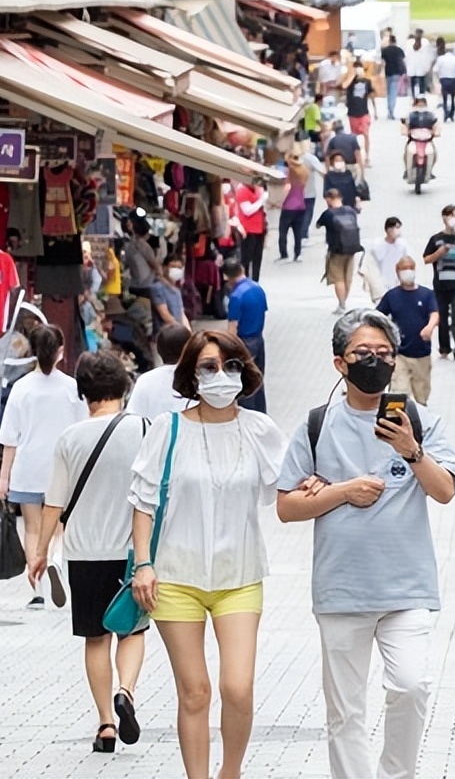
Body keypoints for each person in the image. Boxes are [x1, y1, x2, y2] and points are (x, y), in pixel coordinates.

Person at [277, 310, 455, 779]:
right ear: (340, 363)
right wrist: (343, 492)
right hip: (342, 591)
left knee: (411, 686)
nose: (374, 361)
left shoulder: (419, 421)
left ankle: (396, 774)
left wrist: (411, 450)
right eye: (362, 353)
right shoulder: (317, 425)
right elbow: (286, 507)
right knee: (345, 712)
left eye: (383, 353)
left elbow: (445, 491)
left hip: (407, 590)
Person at [128, 330, 286, 779]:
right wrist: (143, 564)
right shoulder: (168, 429)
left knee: (238, 688)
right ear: (191, 375)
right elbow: (143, 502)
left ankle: (230, 772)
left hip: (240, 575)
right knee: (195, 691)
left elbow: (289, 484)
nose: (222, 375)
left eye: (231, 366)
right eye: (209, 367)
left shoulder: (259, 430)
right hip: (174, 576)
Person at [30, 352, 150, 753]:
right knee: (132, 630)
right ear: (124, 387)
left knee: (96, 639)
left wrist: (40, 551)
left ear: (84, 393)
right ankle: (126, 692)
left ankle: (105, 725)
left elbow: (54, 502)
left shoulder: (70, 438)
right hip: (131, 552)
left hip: (83, 554)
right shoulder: (146, 430)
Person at [0, 325, 88, 609]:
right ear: (61, 351)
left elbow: (10, 438)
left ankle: (37, 590)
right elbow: (82, 431)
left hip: (27, 468)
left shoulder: (21, 388)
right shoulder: (72, 387)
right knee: (58, 526)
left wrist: (3, 479)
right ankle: (56, 561)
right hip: (61, 467)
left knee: (32, 529)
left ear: (33, 351)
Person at [376, 257, 439, 405]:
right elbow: (378, 316)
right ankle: (397, 415)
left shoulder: (426, 294)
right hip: (400, 353)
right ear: (397, 272)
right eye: (404, 269)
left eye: (410, 268)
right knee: (399, 391)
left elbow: (434, 313)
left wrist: (430, 327)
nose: (407, 272)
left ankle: (420, 416)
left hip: (422, 353)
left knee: (422, 394)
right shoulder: (392, 296)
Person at [422, 205, 455, 360]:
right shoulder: (436, 239)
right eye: (450, 215)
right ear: (444, 218)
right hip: (440, 285)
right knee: (442, 317)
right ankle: (444, 348)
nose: (453, 219)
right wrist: (439, 253)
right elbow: (426, 259)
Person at [224, 260, 269, 414]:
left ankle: (247, 414)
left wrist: (227, 349)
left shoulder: (236, 296)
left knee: (245, 382)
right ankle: (261, 413)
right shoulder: (258, 289)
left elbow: (233, 327)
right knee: (258, 379)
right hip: (258, 339)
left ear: (227, 277)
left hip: (244, 343)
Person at [126, 324, 192, 421]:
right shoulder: (199, 379)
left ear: (158, 349)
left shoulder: (145, 380)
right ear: (191, 348)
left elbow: (133, 416)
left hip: (152, 430)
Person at [316, 189, 363, 315]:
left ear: (328, 199)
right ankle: (343, 302)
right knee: (348, 278)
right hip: (352, 248)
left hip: (336, 250)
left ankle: (342, 304)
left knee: (338, 279)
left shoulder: (328, 213)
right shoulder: (350, 210)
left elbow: (318, 225)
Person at [362, 217, 410, 303]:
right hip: (380, 283)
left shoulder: (402, 245)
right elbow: (369, 265)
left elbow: (408, 261)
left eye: (399, 228)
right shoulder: (376, 245)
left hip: (396, 282)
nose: (398, 231)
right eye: (396, 228)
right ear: (388, 229)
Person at [278, 147, 310, 262]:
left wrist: (280, 201)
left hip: (288, 206)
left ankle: (284, 254)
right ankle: (298, 254)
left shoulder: (289, 172)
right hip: (301, 205)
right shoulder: (304, 171)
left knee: (283, 232)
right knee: (298, 232)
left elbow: (287, 187)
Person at [234, 177, 268, 282]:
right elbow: (247, 210)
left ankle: (255, 281)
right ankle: (245, 282)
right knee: (246, 259)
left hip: (259, 229)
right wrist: (261, 200)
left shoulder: (257, 189)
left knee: (257, 259)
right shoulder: (242, 190)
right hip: (248, 230)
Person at [401, 95, 440, 181]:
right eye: (419, 104)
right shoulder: (410, 115)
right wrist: (405, 131)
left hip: (427, 140)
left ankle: (429, 170)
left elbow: (436, 124)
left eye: (422, 104)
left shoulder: (431, 115)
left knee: (434, 154)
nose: (420, 106)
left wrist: (436, 132)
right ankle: (407, 170)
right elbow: (404, 124)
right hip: (414, 140)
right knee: (407, 153)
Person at [345, 63, 376, 166]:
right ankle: (355, 156)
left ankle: (367, 157)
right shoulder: (350, 82)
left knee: (366, 134)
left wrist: (375, 110)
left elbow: (371, 95)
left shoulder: (367, 82)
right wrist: (352, 76)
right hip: (352, 113)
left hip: (364, 112)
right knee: (353, 136)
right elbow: (344, 85)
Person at [299, 139, 326, 252]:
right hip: (308, 192)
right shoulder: (309, 158)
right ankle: (303, 236)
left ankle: (299, 235)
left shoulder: (292, 157)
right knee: (307, 214)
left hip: (294, 192)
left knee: (298, 215)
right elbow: (322, 172)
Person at [151, 255, 190, 330]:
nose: (176, 270)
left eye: (179, 268)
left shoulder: (177, 291)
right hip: (166, 333)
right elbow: (165, 314)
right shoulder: (157, 288)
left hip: (179, 331)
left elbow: (182, 314)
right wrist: (180, 330)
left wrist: (188, 331)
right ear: (164, 268)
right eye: (173, 266)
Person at [434, 45, 455, 123]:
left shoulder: (441, 59)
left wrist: (439, 76)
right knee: (453, 97)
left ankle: (446, 113)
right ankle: (452, 114)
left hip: (444, 79)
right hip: (453, 79)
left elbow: (435, 69)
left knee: (444, 98)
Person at [381, 35, 407, 119]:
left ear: (389, 41)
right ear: (395, 41)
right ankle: (391, 110)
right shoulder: (399, 50)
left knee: (389, 91)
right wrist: (405, 71)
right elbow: (403, 61)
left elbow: (383, 62)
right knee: (393, 91)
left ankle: (389, 109)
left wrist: (380, 72)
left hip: (388, 72)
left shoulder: (385, 50)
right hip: (397, 72)